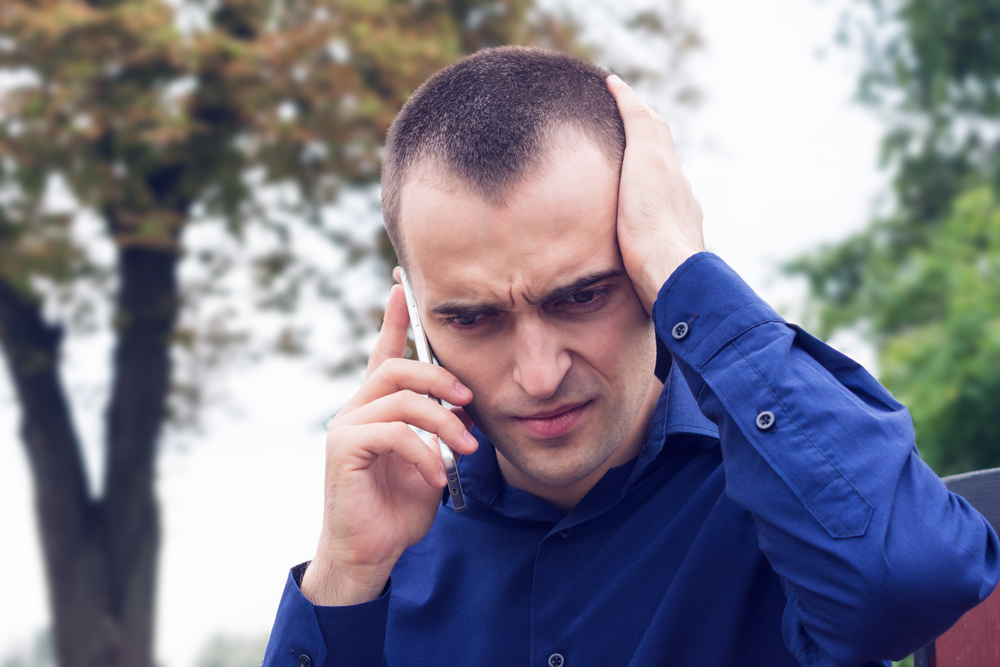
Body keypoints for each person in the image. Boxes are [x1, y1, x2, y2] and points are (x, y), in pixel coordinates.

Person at [262, 47, 999, 667]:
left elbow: (913, 586)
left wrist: (689, 270)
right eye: (473, 317)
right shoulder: (386, 552)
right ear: (414, 317)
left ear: (647, 274)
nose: (539, 372)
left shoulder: (785, 497)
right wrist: (342, 576)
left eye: (581, 297)